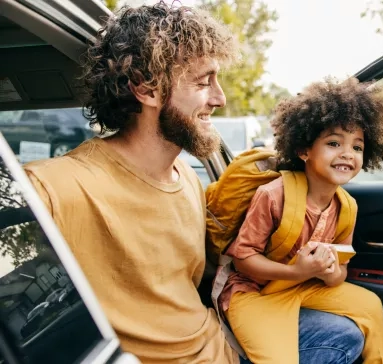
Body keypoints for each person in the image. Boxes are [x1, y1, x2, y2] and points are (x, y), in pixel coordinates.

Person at [23, 3, 365, 363]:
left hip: (219, 341)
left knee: (346, 335)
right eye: (203, 83)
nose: (220, 98)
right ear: (146, 88)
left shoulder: (186, 176)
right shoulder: (55, 186)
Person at [219, 77, 383, 364]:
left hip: (302, 288)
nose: (347, 154)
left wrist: (327, 272)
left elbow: (340, 272)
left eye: (357, 147)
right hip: (254, 294)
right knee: (278, 358)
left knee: (370, 306)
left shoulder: (347, 207)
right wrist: (298, 272)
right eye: (334, 143)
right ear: (304, 150)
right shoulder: (273, 195)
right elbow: (243, 260)